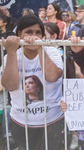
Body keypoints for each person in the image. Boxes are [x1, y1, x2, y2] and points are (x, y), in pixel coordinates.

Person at [1, 15, 64, 150]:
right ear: (19, 34)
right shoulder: (10, 56)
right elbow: (10, 86)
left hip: (53, 122)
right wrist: (11, 52)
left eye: (37, 33)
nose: (33, 36)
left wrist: (40, 48)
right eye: (28, 32)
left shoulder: (52, 52)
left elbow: (52, 77)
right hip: (21, 124)